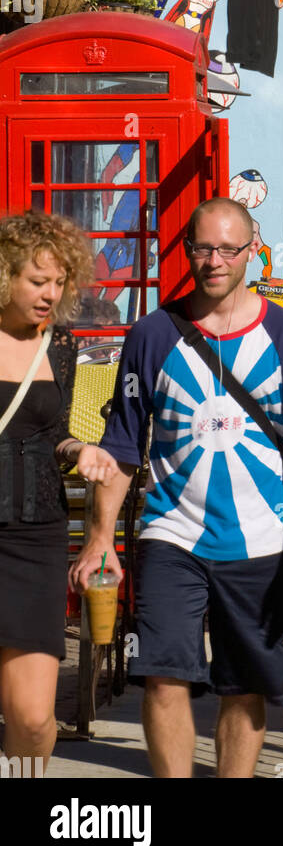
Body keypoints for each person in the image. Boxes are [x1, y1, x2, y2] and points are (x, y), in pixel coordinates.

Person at [70, 197, 283, 779]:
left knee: (243, 689)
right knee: (165, 677)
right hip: (171, 534)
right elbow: (123, 444)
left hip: (262, 540)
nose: (214, 261)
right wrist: (101, 537)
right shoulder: (151, 335)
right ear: (187, 250)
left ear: (253, 250)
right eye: (202, 247)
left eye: (228, 248)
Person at [0, 211, 118, 771]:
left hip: (34, 539)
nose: (51, 294)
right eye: (36, 281)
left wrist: (81, 450)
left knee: (31, 717)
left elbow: (59, 433)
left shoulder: (62, 346)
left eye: (59, 282)